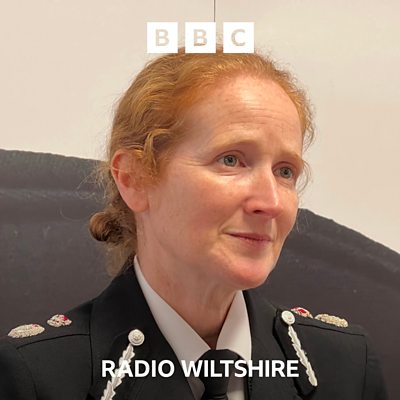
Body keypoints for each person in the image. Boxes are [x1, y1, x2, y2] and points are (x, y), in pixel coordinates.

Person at [0, 47, 387, 400]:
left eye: (285, 171)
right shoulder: (36, 377)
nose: (270, 202)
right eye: (231, 160)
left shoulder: (345, 367)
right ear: (135, 178)